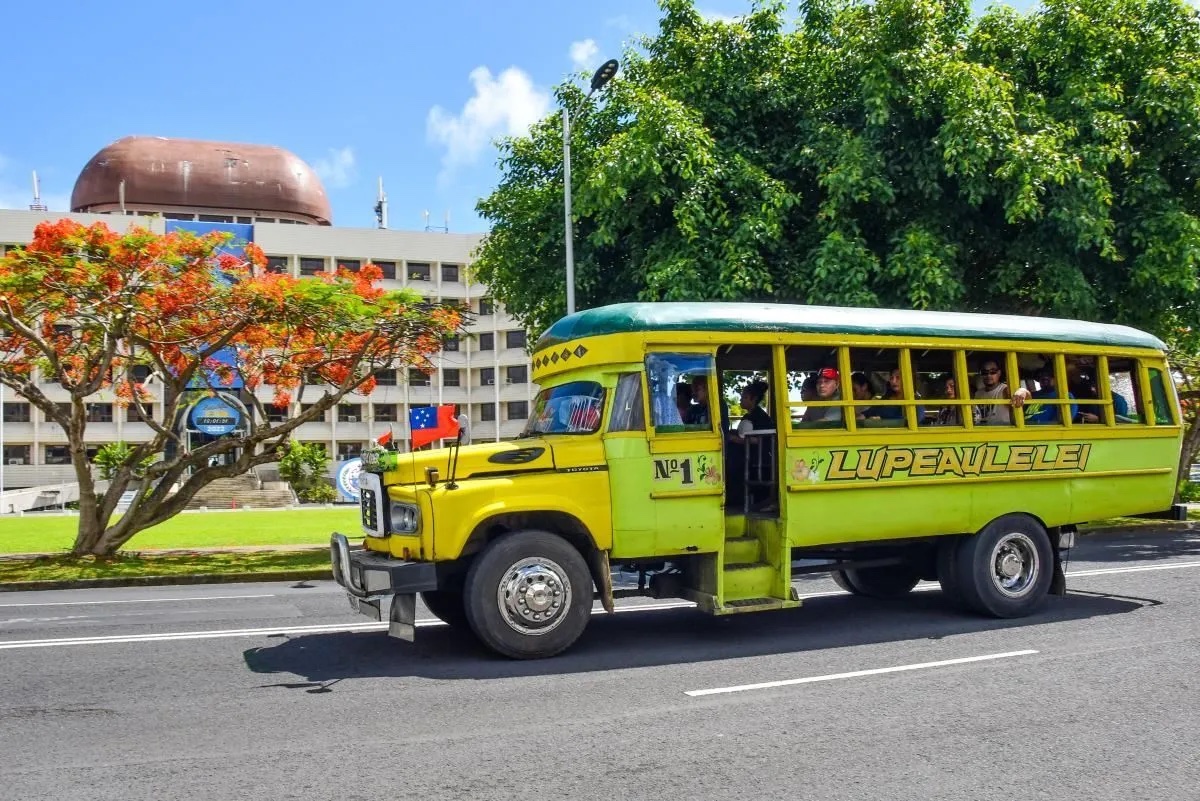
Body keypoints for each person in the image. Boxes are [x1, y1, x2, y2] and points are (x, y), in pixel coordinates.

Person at [973, 358, 1031, 424]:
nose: (988, 375)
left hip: (1003, 432)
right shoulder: (978, 393)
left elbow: (1026, 395)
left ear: (999, 373)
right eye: (984, 372)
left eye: (993, 372)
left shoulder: (1004, 390)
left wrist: (1021, 392)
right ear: (981, 375)